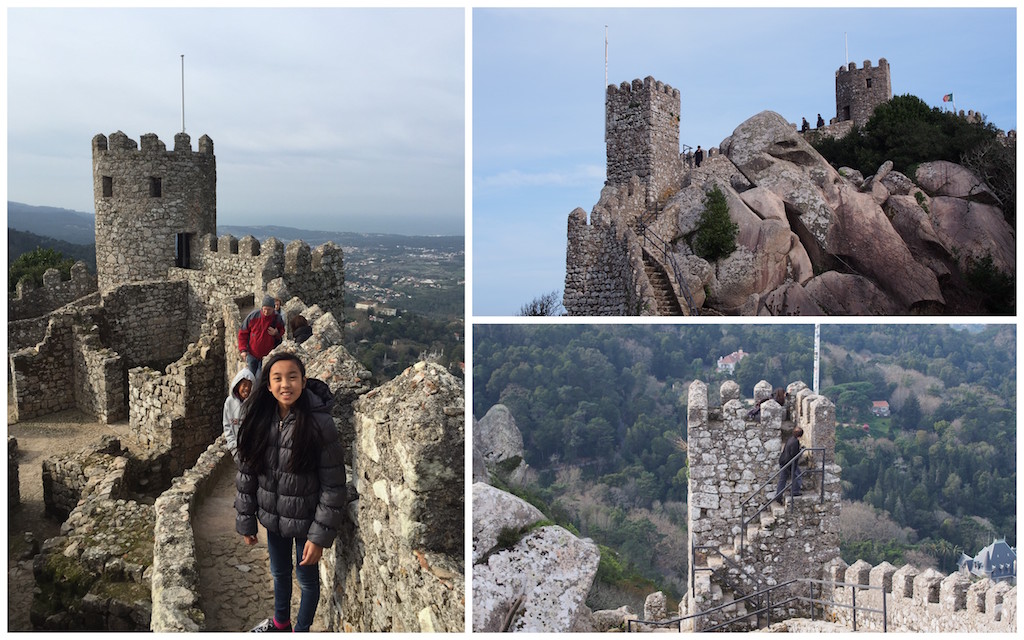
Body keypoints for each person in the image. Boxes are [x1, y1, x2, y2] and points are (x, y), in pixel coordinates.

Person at [235, 352, 346, 632]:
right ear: (268, 386)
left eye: (292, 377)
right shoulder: (260, 419)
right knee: (279, 573)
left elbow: (333, 485)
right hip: (273, 517)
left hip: (307, 521)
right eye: (278, 378)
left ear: (304, 381)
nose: (286, 384)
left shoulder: (320, 424)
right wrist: (246, 520)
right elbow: (247, 473)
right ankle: (281, 624)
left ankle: (301, 630)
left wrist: (318, 537)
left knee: (307, 580)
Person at [238, 295, 285, 382]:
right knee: (249, 379)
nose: (266, 312)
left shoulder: (277, 318)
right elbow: (242, 333)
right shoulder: (253, 317)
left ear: (273, 309)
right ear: (262, 308)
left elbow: (282, 330)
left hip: (266, 356)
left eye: (269, 309)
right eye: (264, 309)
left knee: (259, 379)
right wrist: (243, 350)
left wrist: (276, 333)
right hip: (252, 355)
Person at [222, 367, 256, 460]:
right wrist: (233, 448)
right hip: (237, 450)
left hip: (253, 451)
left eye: (250, 386)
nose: (247, 389)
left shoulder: (254, 404)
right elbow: (227, 425)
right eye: (244, 385)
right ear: (237, 385)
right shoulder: (229, 402)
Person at [775, 427, 804, 504]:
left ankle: (778, 495)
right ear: (800, 435)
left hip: (783, 461)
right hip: (789, 463)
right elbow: (794, 454)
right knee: (798, 476)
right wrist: (801, 451)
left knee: (782, 479)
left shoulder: (790, 439)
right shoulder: (795, 442)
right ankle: (795, 491)